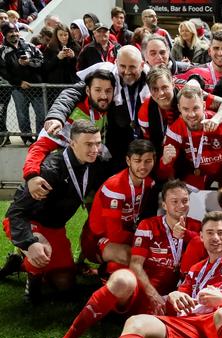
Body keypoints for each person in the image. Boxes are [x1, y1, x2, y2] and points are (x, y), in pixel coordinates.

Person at [45, 180, 202, 338]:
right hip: (144, 293)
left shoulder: (197, 227)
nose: (180, 206)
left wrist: (187, 236)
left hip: (174, 299)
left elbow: (211, 249)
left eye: (184, 201)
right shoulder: (148, 225)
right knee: (122, 279)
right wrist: (153, 295)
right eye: (174, 201)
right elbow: (136, 265)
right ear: (164, 204)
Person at [107, 211, 222, 338]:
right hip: (195, 327)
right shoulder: (195, 269)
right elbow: (179, 304)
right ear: (201, 237)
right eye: (210, 233)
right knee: (135, 322)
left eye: (221, 233)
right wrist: (174, 296)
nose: (215, 237)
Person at [3, 121, 103, 302]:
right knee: (40, 252)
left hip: (55, 227)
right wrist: (29, 242)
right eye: (89, 144)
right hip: (29, 221)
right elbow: (15, 212)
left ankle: (18, 264)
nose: (95, 149)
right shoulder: (51, 169)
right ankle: (32, 287)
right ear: (72, 144)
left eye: (98, 143)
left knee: (65, 283)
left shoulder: (94, 163)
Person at [43, 45, 148, 174]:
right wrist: (56, 116)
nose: (127, 71)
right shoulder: (106, 75)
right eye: (122, 66)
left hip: (144, 148)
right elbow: (72, 94)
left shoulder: (151, 81)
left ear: (142, 65)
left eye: (132, 67)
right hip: (114, 150)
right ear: (116, 63)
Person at [23, 69, 115, 196]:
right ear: (88, 91)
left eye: (108, 91)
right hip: (64, 176)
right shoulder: (72, 115)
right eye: (98, 90)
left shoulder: (105, 109)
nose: (104, 96)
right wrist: (31, 175)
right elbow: (40, 146)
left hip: (91, 169)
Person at [83, 139, 157, 277]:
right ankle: (105, 271)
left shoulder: (149, 184)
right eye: (137, 160)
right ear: (128, 161)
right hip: (97, 239)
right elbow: (115, 235)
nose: (143, 166)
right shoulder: (115, 187)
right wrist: (142, 241)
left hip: (126, 236)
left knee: (150, 255)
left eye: (148, 161)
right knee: (133, 256)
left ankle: (107, 273)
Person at [138, 67, 222, 159]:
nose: (161, 93)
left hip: (200, 150)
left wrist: (216, 120)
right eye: (155, 89)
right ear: (149, 90)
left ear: (172, 83)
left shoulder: (189, 94)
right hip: (170, 153)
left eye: (164, 87)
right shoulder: (145, 111)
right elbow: (150, 144)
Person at [158, 86, 222, 190]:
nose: (191, 114)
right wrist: (165, 162)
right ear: (179, 108)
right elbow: (164, 174)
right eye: (186, 109)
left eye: (196, 108)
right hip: (195, 179)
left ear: (204, 106)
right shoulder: (175, 130)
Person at [0, 21, 45, 144]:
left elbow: (41, 61)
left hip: (36, 86)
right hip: (18, 89)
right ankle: (27, 138)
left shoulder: (30, 46)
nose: (14, 34)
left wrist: (29, 62)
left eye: (15, 31)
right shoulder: (2, 51)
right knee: (22, 115)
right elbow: (3, 72)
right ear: (4, 34)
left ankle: (40, 138)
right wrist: (19, 82)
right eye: (10, 32)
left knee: (41, 114)